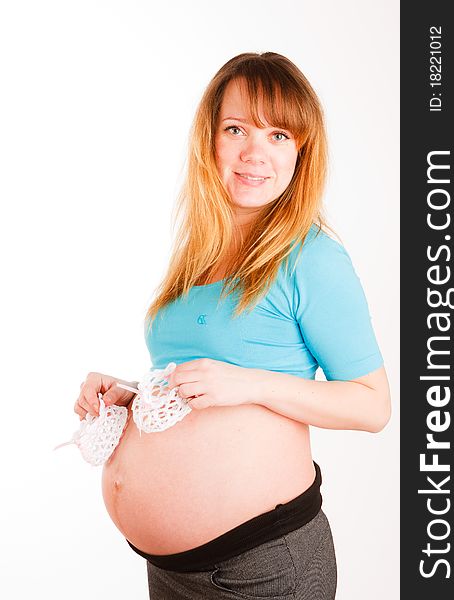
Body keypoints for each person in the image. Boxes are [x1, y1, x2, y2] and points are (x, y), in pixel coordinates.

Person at [74, 52, 391, 599]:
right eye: (236, 128)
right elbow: (197, 382)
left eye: (278, 136)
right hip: (172, 571)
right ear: (210, 139)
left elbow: (373, 405)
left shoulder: (310, 256)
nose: (253, 153)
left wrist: (251, 384)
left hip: (261, 568)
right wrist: (129, 395)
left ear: (301, 151)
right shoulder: (197, 254)